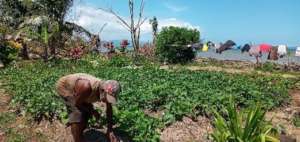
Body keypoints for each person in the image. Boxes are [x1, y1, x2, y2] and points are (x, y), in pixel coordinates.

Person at [56, 73, 121, 142]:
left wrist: (110, 130)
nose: (107, 100)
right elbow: (77, 104)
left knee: (86, 111)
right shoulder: (86, 87)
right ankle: (78, 139)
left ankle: (81, 129)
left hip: (81, 91)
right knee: (77, 114)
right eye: (107, 98)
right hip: (66, 87)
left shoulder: (107, 90)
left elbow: (109, 109)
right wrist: (93, 111)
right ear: (102, 91)